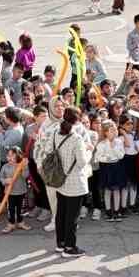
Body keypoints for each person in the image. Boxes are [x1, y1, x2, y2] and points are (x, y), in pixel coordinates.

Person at [48, 107, 91, 257]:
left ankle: (60, 244)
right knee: (72, 217)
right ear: (77, 120)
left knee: (61, 213)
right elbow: (82, 162)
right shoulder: (76, 138)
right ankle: (70, 247)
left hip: (59, 179)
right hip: (75, 182)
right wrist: (89, 149)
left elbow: (49, 150)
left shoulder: (55, 133)